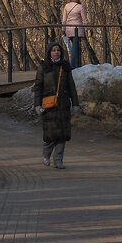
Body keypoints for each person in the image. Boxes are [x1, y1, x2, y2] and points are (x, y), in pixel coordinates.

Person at [34, 40, 80, 168]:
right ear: (49, 52)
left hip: (63, 105)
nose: (56, 52)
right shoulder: (43, 67)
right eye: (53, 50)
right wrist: (38, 105)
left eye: (58, 50)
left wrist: (75, 104)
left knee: (63, 135)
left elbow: (72, 87)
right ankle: (46, 155)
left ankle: (58, 160)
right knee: (50, 135)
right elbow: (38, 87)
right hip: (48, 106)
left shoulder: (65, 67)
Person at [61, 0, 89, 68]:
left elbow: (64, 20)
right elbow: (85, 20)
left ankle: (77, 65)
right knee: (75, 48)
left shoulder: (67, 6)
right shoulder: (80, 7)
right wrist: (89, 28)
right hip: (77, 30)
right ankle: (73, 66)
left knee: (75, 47)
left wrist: (63, 29)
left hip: (69, 29)